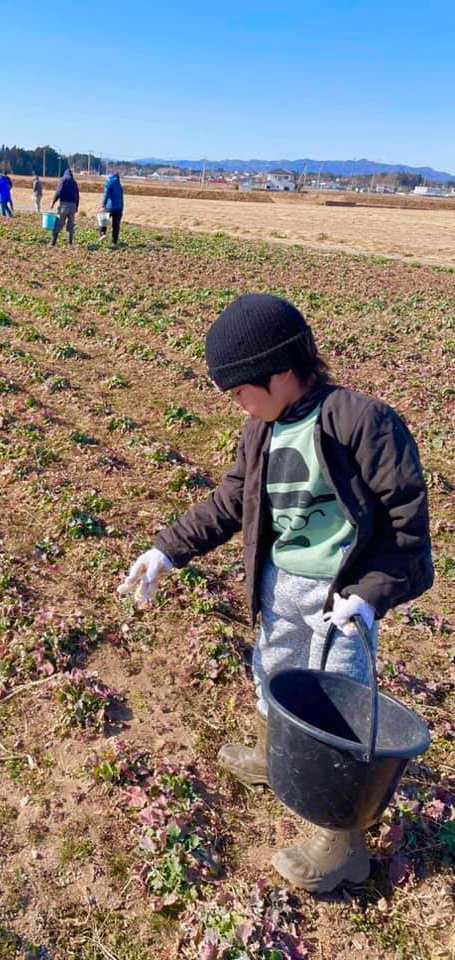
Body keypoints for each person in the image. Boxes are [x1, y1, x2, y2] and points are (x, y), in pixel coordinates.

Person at [119, 293, 433, 894]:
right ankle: (273, 756)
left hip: (339, 602)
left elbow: (406, 531)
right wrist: (167, 549)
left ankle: (341, 843)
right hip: (279, 584)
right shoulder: (262, 430)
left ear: (282, 371)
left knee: (336, 708)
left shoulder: (362, 423)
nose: (237, 403)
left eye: (240, 391)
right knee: (271, 667)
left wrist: (368, 596)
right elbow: (232, 502)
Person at [50, 167, 79, 246]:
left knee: (58, 223)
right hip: (73, 206)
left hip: (64, 205)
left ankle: (52, 243)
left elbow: (58, 192)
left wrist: (53, 202)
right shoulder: (74, 182)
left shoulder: (62, 180)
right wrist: (77, 207)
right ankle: (69, 243)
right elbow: (77, 195)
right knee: (70, 224)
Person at [100, 171, 124, 245]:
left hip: (110, 206)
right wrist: (121, 208)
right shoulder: (120, 186)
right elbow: (121, 198)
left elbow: (106, 194)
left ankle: (103, 233)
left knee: (103, 218)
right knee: (116, 226)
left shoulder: (109, 183)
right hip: (119, 208)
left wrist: (103, 204)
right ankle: (114, 241)